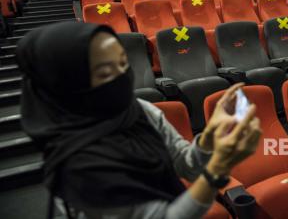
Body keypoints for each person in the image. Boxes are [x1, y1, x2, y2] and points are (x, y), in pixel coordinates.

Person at [17, 22, 262, 219]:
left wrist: (208, 139)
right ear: (65, 85)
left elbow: (186, 165)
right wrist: (217, 170)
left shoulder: (138, 110)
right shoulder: (78, 168)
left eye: (124, 64)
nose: (122, 78)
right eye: (105, 72)